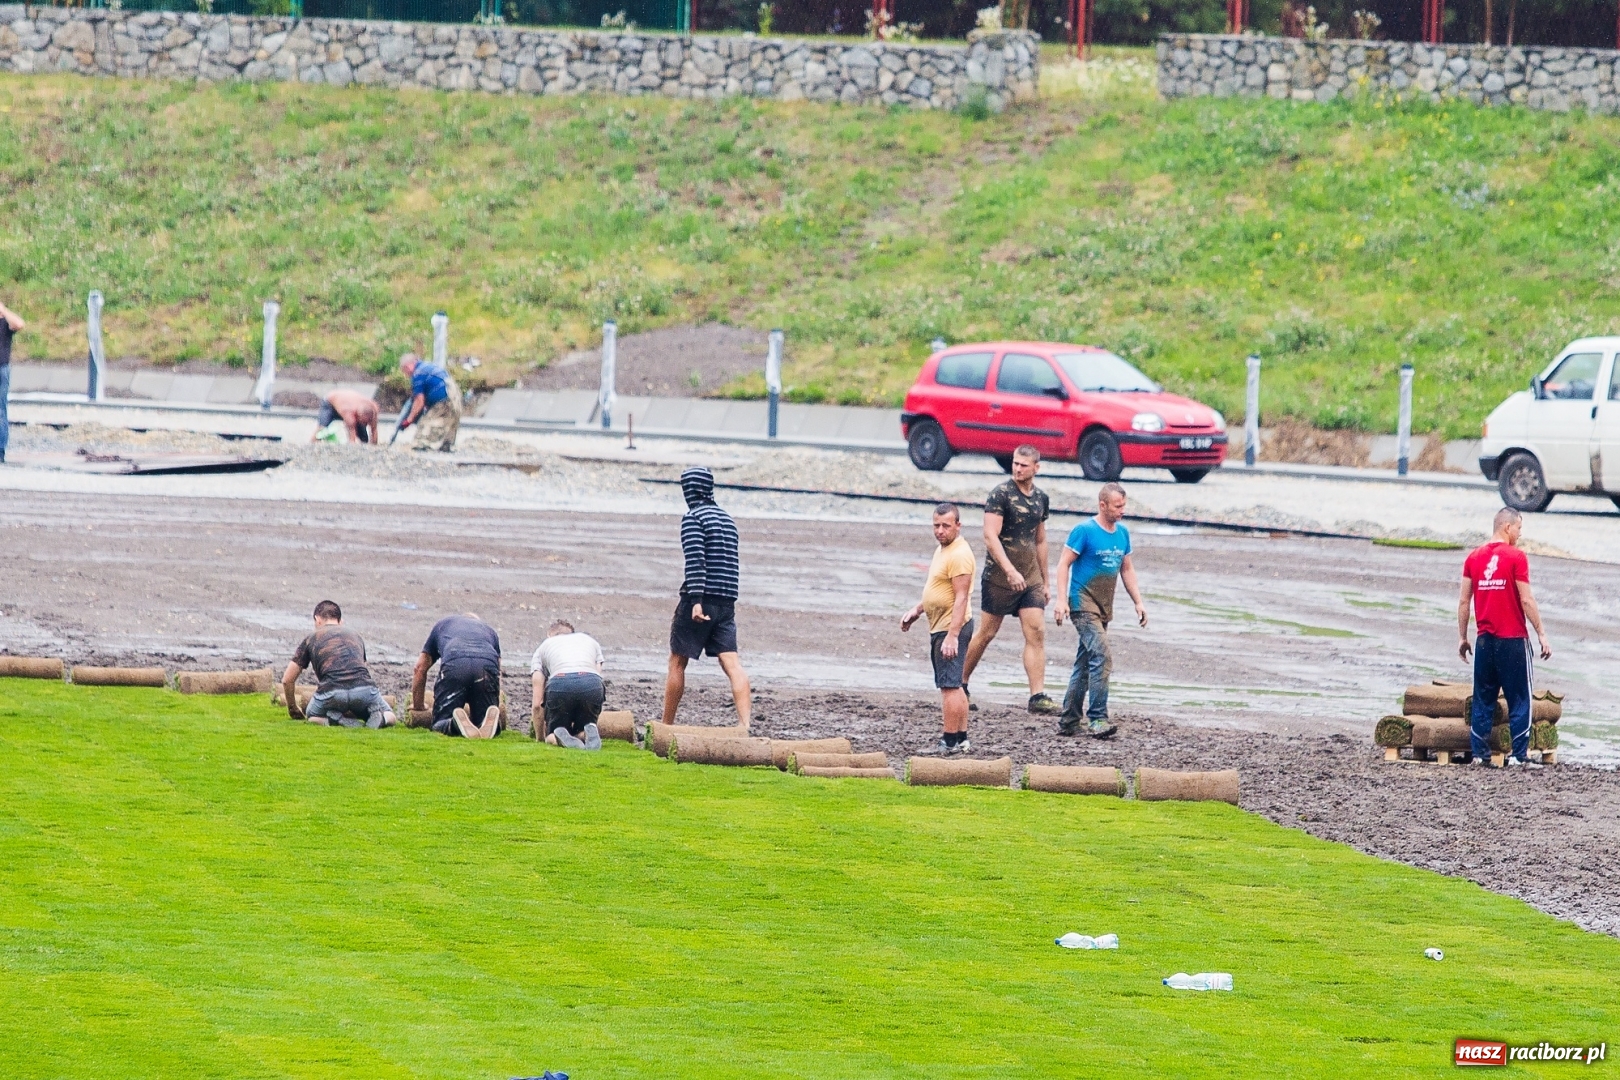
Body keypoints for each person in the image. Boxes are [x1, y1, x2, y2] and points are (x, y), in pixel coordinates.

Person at [961, 444, 1060, 715]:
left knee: (1036, 631)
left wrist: (1046, 581)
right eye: (1015, 463)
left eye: (1023, 465)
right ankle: (959, 684)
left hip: (1030, 578)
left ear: (1036, 468)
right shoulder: (1001, 494)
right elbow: (990, 536)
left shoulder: (1041, 499)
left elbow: (1040, 540)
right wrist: (1009, 570)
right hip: (999, 577)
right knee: (987, 633)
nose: (1017, 468)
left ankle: (1037, 696)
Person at [1459, 506, 1552, 767]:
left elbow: (1464, 601)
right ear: (1507, 527)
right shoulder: (1516, 557)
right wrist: (1541, 633)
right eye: (1519, 528)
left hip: (1485, 641)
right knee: (1520, 698)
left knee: (1483, 698)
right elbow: (1527, 599)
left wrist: (1462, 637)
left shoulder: (1473, 558)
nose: (1520, 534)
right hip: (1513, 640)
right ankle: (1518, 756)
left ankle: (1480, 755)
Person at [1053, 482, 1146, 739]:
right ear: (1102, 505)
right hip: (1082, 604)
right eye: (1117, 506)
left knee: (1085, 663)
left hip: (1104, 607)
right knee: (1102, 657)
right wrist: (1061, 600)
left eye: (1123, 506)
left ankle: (1069, 720)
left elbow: (1126, 569)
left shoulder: (1122, 533)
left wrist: (1138, 602)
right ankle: (1097, 718)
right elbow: (1063, 564)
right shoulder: (1084, 531)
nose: (1122, 510)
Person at [663, 466, 752, 729]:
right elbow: (730, 562)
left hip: (701, 599)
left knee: (677, 661)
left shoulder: (693, 518)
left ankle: (666, 726)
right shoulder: (728, 519)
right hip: (727, 600)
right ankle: (745, 725)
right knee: (731, 662)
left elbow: (696, 562)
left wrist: (696, 600)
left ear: (689, 490)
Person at [902, 502, 976, 754]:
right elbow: (938, 589)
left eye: (946, 526)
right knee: (955, 684)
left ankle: (950, 741)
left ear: (958, 525)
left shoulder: (959, 555)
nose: (940, 531)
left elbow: (961, 597)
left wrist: (952, 635)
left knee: (949, 686)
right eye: (936, 525)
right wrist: (917, 610)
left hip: (951, 627)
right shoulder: (943, 549)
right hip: (942, 625)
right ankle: (962, 739)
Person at [282, 600, 396, 728]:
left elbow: (287, 680)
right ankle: (380, 718)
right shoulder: (355, 635)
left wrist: (292, 708)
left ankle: (335, 721)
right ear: (340, 621)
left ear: (317, 619)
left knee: (312, 715)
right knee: (390, 715)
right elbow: (360, 666)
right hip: (364, 689)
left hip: (332, 692)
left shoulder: (312, 637)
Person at [413, 612, 502, 738]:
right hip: (486, 666)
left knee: (440, 723)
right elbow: (497, 672)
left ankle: (453, 724)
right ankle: (492, 725)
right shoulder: (489, 630)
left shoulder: (443, 625)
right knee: (483, 719)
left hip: (456, 663)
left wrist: (418, 706)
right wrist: (493, 701)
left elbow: (419, 668)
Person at [531, 619, 605, 750]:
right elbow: (598, 675)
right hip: (591, 682)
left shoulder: (544, 646)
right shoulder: (589, 641)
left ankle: (558, 737)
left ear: (550, 635)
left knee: (554, 733)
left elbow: (537, 704)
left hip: (560, 682)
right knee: (584, 726)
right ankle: (585, 734)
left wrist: (540, 738)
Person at [397, 352, 461, 453]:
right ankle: (446, 445)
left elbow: (419, 401)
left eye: (404, 371)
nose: (406, 374)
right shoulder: (427, 367)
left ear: (407, 366)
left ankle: (421, 445)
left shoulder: (418, 374)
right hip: (455, 398)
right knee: (449, 422)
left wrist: (409, 420)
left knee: (426, 423)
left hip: (443, 399)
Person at [0, 299, 25, 465]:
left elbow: (19, 324)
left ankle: (0, 450)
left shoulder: (6, 322)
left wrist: (4, 310)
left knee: (1, 410)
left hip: (1, 368)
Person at [312, 388, 381, 444]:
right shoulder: (348, 412)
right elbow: (352, 436)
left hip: (349, 402)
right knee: (322, 428)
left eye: (366, 422)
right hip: (330, 403)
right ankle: (312, 443)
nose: (365, 424)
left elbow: (374, 430)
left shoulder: (373, 408)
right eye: (363, 422)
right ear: (357, 415)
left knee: (364, 438)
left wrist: (373, 446)